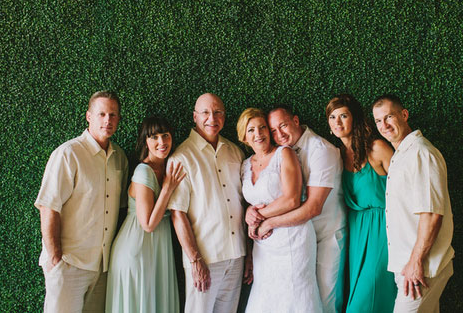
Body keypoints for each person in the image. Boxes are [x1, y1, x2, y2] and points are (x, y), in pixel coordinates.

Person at [35, 91, 129, 313]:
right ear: (89, 116)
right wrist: (56, 257)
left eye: (113, 115)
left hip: (103, 267)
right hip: (70, 264)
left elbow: (123, 208)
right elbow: (49, 206)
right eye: (102, 114)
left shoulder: (120, 158)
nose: (107, 120)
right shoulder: (68, 154)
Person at [246, 106, 345, 312]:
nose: (279, 134)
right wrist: (251, 212)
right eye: (273, 130)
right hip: (294, 234)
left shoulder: (321, 150)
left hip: (326, 235)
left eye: (283, 125)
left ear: (296, 121)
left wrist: (267, 222)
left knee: (322, 300)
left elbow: (312, 208)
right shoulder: (279, 153)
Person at [167, 93, 250, 313]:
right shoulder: (181, 158)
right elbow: (178, 214)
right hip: (205, 258)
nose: (211, 118)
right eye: (205, 112)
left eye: (217, 112)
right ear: (195, 116)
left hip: (237, 253)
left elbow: (244, 205)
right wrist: (195, 260)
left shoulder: (236, 152)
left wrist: (248, 253)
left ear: (224, 116)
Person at [372, 95, 454, 313]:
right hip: (409, 267)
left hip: (422, 268)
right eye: (378, 121)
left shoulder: (421, 153)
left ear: (404, 115)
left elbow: (432, 213)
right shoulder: (401, 154)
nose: (384, 125)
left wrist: (416, 262)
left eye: (389, 117)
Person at [105, 116, 185, 312]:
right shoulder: (143, 172)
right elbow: (147, 224)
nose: (161, 142)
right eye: (154, 137)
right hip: (136, 250)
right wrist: (167, 188)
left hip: (156, 251)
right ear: (145, 142)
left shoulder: (167, 167)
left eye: (165, 136)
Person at [326, 94, 396, 312]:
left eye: (343, 116)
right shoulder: (336, 155)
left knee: (364, 301)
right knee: (354, 293)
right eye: (332, 117)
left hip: (383, 230)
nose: (337, 122)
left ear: (355, 119)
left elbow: (407, 190)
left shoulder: (376, 148)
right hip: (355, 232)